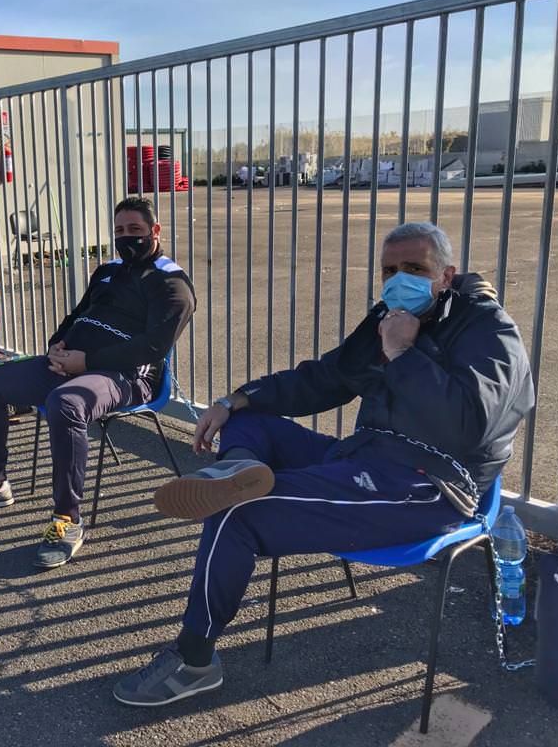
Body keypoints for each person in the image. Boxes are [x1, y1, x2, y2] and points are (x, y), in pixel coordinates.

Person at [113, 222, 535, 707]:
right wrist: (236, 399)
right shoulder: (392, 314)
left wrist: (401, 352)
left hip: (427, 487)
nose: (400, 279)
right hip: (365, 457)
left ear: (446, 275)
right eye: (390, 270)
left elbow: (469, 423)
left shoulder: (490, 330)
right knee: (255, 418)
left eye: (415, 269)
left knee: (237, 513)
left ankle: (194, 659)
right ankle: (238, 471)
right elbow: (328, 377)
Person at [0, 196, 196, 569]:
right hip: (71, 363)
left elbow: (153, 347)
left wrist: (87, 362)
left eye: (136, 231)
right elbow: (78, 314)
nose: (127, 239)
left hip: (125, 376)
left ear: (155, 232)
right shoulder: (108, 270)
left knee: (66, 403)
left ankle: (68, 520)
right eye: (120, 231)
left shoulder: (171, 284)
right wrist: (57, 346)